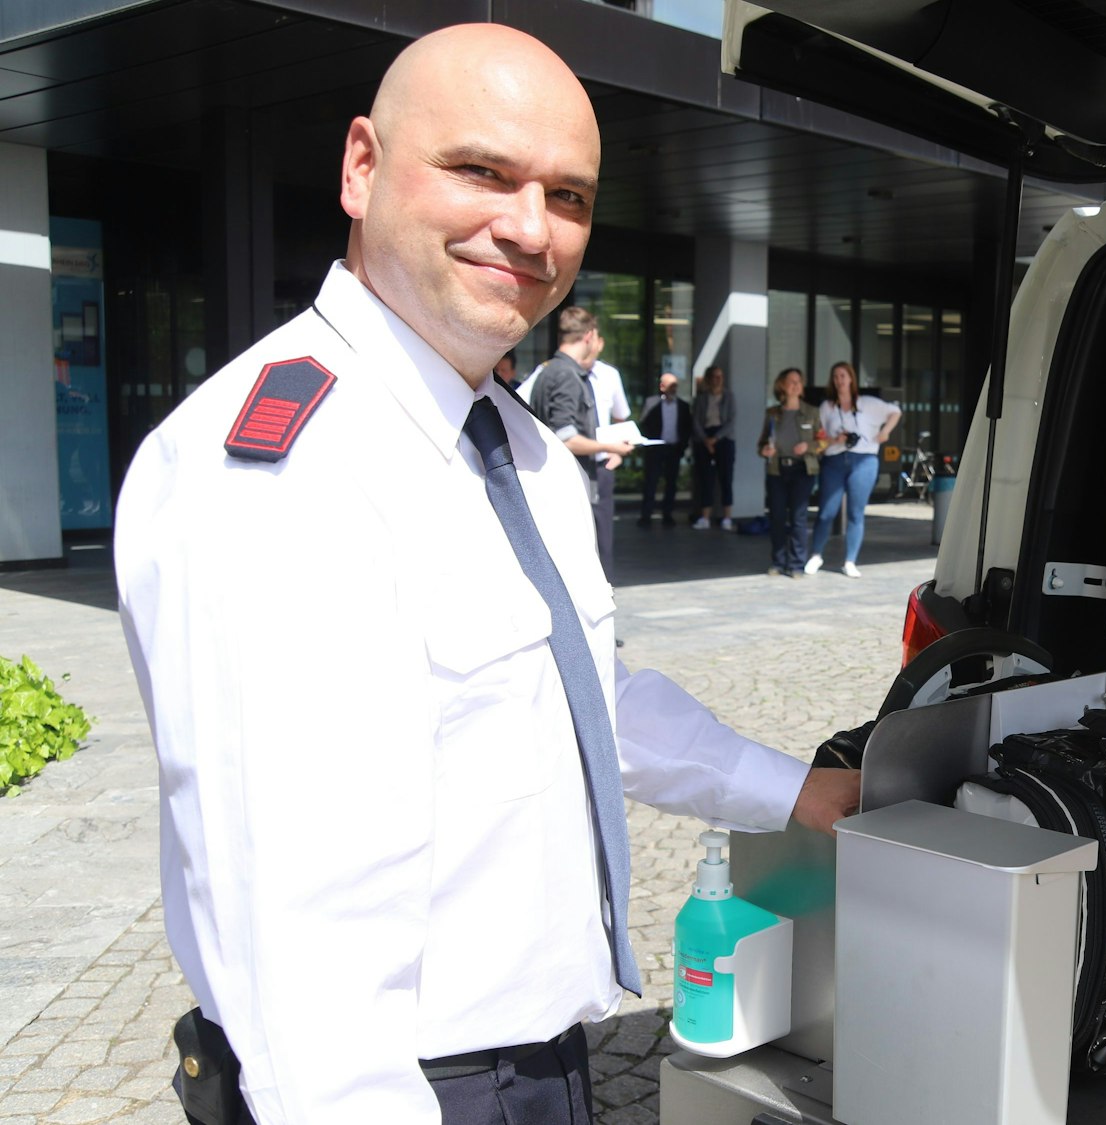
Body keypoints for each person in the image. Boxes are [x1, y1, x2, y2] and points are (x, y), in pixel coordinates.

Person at [112, 24, 859, 1125]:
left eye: (567, 195)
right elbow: (295, 939)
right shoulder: (280, 467)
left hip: (539, 1065)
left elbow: (575, 699)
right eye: (480, 172)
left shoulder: (517, 449)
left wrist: (793, 792)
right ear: (361, 168)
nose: (529, 227)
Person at [528, 306, 631, 581]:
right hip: (572, 479)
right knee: (588, 554)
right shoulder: (566, 375)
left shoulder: (548, 371)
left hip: (556, 479)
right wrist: (612, 448)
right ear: (588, 336)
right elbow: (567, 437)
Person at [805, 360, 901, 577]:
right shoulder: (827, 407)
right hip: (834, 460)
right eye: (836, 376)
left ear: (851, 379)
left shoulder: (867, 403)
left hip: (864, 460)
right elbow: (819, 437)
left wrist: (885, 432)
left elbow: (895, 411)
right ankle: (815, 555)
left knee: (856, 512)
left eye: (843, 375)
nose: (839, 380)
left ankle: (850, 560)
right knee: (826, 511)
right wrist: (835, 439)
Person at [759, 367, 819, 577]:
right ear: (782, 386)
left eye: (798, 381)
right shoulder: (772, 413)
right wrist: (765, 450)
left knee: (798, 517)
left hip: (802, 469)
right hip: (777, 469)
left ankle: (796, 564)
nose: (795, 385)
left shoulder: (812, 412)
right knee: (776, 516)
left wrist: (808, 447)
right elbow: (762, 443)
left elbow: (822, 441)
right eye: (790, 381)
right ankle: (778, 561)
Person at [637, 370, 692, 526]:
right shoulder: (652, 403)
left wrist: (683, 446)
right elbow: (643, 422)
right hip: (656, 448)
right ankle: (646, 515)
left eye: (676, 385)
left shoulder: (683, 406)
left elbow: (687, 428)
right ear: (662, 386)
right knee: (651, 481)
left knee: (671, 483)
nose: (674, 388)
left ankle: (667, 514)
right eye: (671, 385)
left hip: (673, 448)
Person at [690, 364, 735, 531]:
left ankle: (727, 517)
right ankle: (705, 517)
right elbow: (695, 420)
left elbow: (731, 421)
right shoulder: (701, 398)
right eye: (715, 377)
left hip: (723, 438)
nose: (718, 380)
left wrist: (716, 438)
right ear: (709, 379)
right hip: (704, 437)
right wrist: (706, 440)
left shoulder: (729, 397)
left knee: (726, 478)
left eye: (720, 377)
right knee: (705, 479)